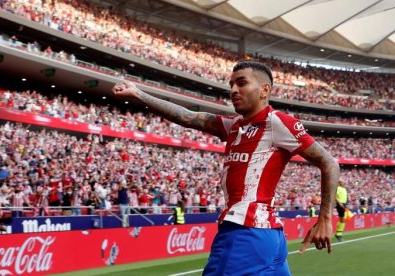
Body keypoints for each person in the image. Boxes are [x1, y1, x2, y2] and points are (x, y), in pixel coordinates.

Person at [112, 61, 339, 275]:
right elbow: (190, 117)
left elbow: (329, 162)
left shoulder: (277, 122)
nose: (233, 90)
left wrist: (325, 219)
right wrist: (138, 93)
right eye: (231, 84)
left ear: (264, 90)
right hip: (267, 234)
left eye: (241, 83)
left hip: (245, 232)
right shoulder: (234, 126)